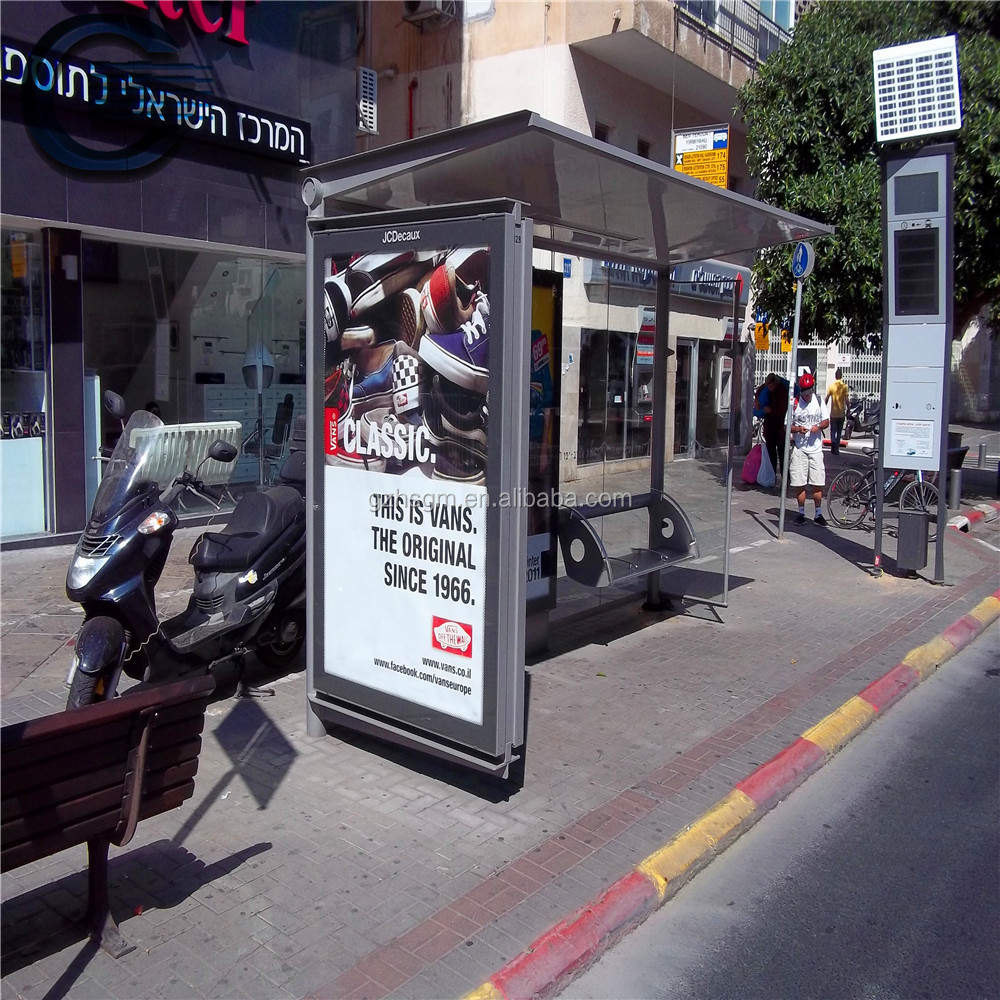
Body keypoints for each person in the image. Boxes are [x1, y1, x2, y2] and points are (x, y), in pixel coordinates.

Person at [789, 371, 829, 525]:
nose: (807, 396)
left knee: (817, 483)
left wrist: (817, 427)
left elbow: (826, 421)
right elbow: (787, 425)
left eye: (809, 392)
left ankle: (818, 514)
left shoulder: (818, 401)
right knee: (799, 483)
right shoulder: (795, 403)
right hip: (800, 448)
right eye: (805, 393)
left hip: (816, 449)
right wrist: (798, 429)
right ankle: (801, 513)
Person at [759, 373, 788, 480]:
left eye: (771, 386)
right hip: (769, 427)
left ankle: (785, 477)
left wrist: (771, 410)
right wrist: (757, 400)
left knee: (782, 453)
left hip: (780, 427)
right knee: (771, 453)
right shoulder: (766, 388)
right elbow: (760, 390)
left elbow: (782, 409)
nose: (769, 388)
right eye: (768, 386)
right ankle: (772, 476)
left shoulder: (782, 391)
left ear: (775, 384)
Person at [825, 368, 849, 455]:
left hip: (833, 413)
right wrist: (848, 410)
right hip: (841, 413)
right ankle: (837, 449)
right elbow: (847, 400)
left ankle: (833, 446)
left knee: (833, 431)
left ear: (835, 376)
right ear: (841, 376)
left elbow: (827, 398)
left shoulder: (831, 386)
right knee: (839, 432)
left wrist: (823, 407)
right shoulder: (844, 387)